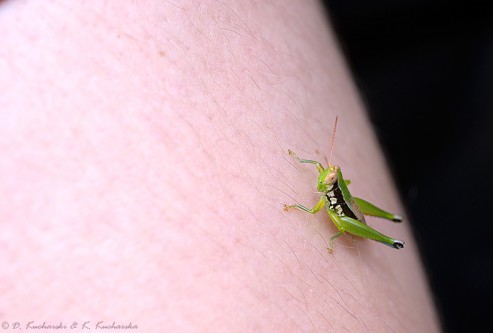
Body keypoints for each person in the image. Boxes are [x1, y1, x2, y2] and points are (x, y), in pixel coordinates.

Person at [0, 1, 440, 331]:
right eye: (326, 173)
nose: (324, 173)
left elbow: (322, 210)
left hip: (349, 221)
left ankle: (384, 233)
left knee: (344, 221)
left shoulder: (331, 199)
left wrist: (314, 216)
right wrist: (302, 163)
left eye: (328, 175)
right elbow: (318, 167)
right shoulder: (325, 175)